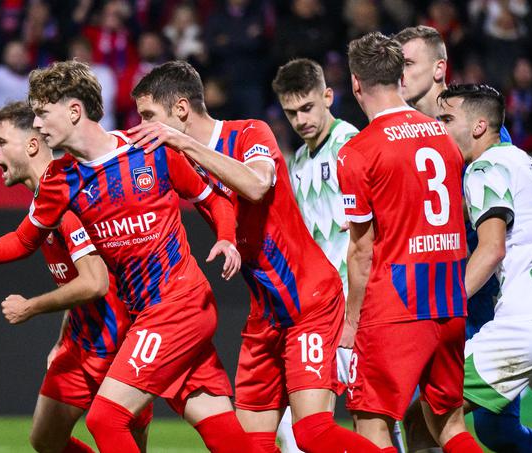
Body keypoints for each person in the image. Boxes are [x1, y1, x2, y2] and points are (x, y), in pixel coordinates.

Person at [0, 60, 258, 453]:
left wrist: (227, 238)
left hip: (179, 303)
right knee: (221, 431)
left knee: (105, 418)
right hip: (147, 314)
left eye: (42, 113)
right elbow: (24, 240)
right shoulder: (60, 180)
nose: (37, 126)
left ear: (74, 111)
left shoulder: (149, 149)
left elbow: (214, 199)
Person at [129, 60, 381, 453]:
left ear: (180, 109)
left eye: (149, 116)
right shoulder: (183, 161)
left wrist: (182, 144)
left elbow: (258, 184)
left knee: (313, 433)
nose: (146, 126)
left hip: (310, 302)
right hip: (266, 316)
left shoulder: (249, 132)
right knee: (248, 445)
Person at [0, 101, 151, 453]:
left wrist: (31, 307)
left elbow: (96, 283)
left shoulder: (68, 194)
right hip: (82, 341)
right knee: (45, 439)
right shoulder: (43, 200)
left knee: (123, 440)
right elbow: (24, 243)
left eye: (1, 142)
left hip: (119, 342)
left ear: (32, 145)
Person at [337, 32, 482, 453]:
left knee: (373, 423)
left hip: (396, 302)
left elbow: (363, 250)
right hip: (449, 302)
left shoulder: (357, 151)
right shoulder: (445, 136)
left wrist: (351, 322)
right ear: (401, 76)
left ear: (355, 84)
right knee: (450, 425)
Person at [394, 25, 526, 452]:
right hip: (460, 292)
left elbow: (494, 238)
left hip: (489, 300)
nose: (399, 75)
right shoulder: (406, 130)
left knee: (478, 425)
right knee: (434, 417)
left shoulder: (484, 145)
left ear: (438, 69)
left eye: (408, 64)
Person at [271, 58, 406, 453]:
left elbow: (380, 220)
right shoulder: (298, 162)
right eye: (291, 112)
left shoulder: (351, 144)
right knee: (303, 427)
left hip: (360, 305)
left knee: (370, 416)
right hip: (323, 307)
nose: (300, 120)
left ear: (328, 96)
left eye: (308, 107)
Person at [437, 84, 532, 452]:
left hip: (523, 322)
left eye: (447, 119)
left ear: (479, 126)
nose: (439, 128)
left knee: (431, 410)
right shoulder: (525, 162)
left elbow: (492, 248)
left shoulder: (484, 168)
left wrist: (448, 302)